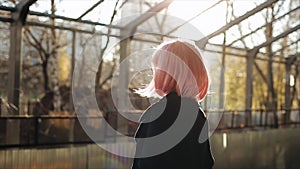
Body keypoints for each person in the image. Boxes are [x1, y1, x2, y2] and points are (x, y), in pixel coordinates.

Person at [131, 40, 214, 169]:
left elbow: (147, 163)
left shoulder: (160, 114)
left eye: (157, 69)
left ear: (167, 74)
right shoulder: (197, 115)